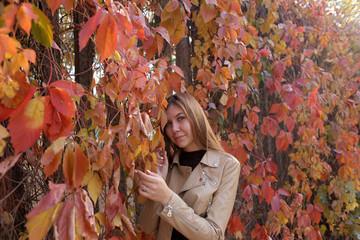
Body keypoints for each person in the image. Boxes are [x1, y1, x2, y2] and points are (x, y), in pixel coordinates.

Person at [136, 92, 241, 240]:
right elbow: (147, 227)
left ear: (195, 117)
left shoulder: (227, 166)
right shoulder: (168, 165)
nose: (175, 129)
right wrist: (157, 186)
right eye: (169, 123)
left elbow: (214, 235)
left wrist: (167, 197)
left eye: (180, 118)